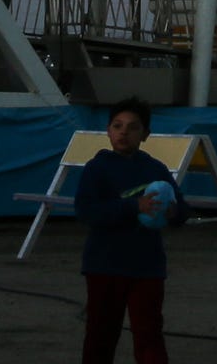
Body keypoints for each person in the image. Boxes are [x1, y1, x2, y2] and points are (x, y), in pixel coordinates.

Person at [76, 98, 183, 364]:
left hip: (146, 266)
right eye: (117, 125)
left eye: (133, 127)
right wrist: (134, 206)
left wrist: (173, 211)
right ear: (108, 131)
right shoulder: (97, 168)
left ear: (145, 134)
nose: (124, 132)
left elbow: (182, 208)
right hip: (104, 265)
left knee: (148, 333)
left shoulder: (155, 168)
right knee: (101, 334)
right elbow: (87, 211)